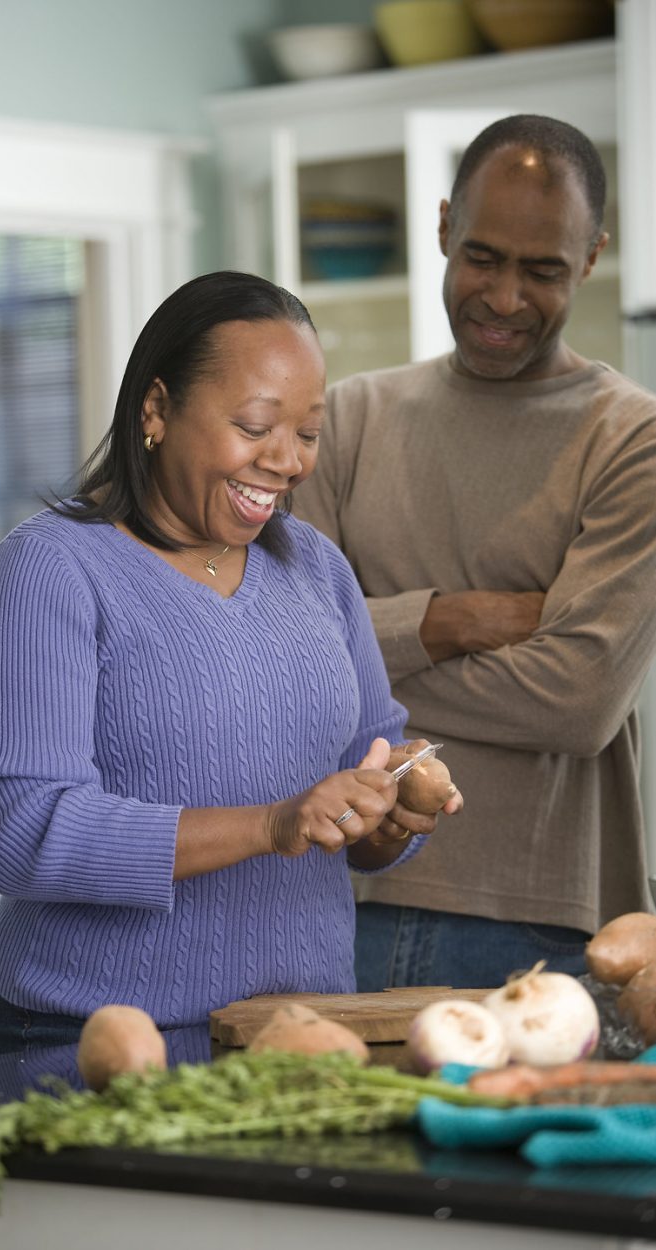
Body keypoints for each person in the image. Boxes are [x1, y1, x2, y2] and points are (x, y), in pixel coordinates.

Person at [0, 270, 462, 1057]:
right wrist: (270, 823)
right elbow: (24, 832)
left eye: (307, 432)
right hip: (89, 1035)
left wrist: (391, 810)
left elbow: (363, 787)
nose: (288, 461)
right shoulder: (50, 571)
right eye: (256, 425)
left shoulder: (316, 568)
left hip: (298, 1034)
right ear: (156, 409)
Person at [293, 114, 656, 992]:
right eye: (483, 257)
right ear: (444, 225)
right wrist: (450, 621)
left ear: (593, 257)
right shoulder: (345, 419)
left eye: (543, 270)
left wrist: (362, 647)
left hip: (541, 925)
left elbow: (576, 702)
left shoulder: (630, 439)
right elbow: (284, 661)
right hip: (331, 894)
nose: (501, 297)